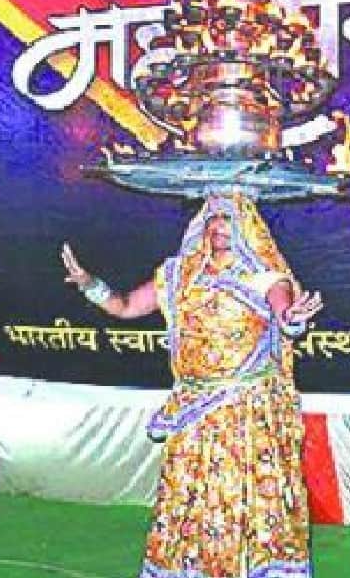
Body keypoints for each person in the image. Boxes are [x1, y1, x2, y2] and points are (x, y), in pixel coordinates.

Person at [59, 191, 325, 578]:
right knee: (188, 491)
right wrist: (89, 284)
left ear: (248, 227)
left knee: (244, 493)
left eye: (229, 218)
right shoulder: (176, 277)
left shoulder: (266, 277)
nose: (219, 226)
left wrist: (294, 320)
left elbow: (285, 317)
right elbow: (126, 306)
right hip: (193, 412)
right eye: (213, 217)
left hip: (246, 412)